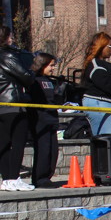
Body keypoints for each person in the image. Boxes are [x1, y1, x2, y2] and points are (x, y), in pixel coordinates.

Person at [0, 26, 35, 191]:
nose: (12, 38)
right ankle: (14, 178)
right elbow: (26, 76)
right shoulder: (8, 55)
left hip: (2, 106)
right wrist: (32, 70)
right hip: (13, 104)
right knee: (18, 143)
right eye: (10, 36)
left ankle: (7, 179)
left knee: (3, 144)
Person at [28, 52, 64, 188]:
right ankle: (40, 178)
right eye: (51, 65)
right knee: (44, 150)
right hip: (40, 121)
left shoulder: (49, 81)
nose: (53, 68)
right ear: (42, 65)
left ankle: (47, 176)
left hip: (51, 120)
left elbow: (55, 100)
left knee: (53, 151)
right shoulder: (34, 80)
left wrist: (60, 88)